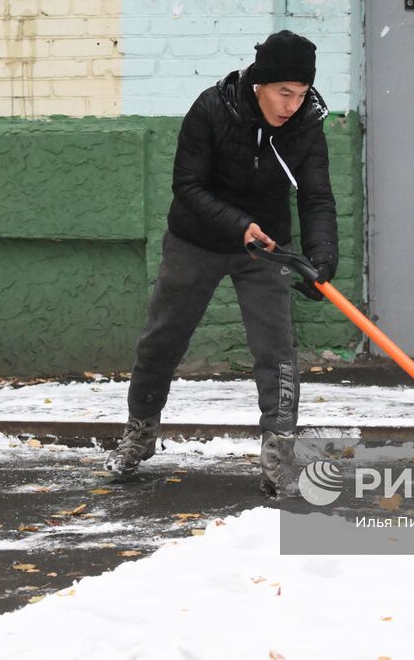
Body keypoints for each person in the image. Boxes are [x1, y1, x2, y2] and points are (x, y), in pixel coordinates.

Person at [105, 30, 338, 495]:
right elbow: (187, 186)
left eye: (301, 94)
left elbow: (316, 198)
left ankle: (279, 452)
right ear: (260, 85)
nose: (291, 105)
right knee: (161, 342)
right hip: (197, 241)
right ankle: (140, 431)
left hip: (267, 247)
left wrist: (321, 258)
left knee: (277, 354)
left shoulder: (307, 125)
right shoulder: (212, 108)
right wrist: (238, 225)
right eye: (283, 93)